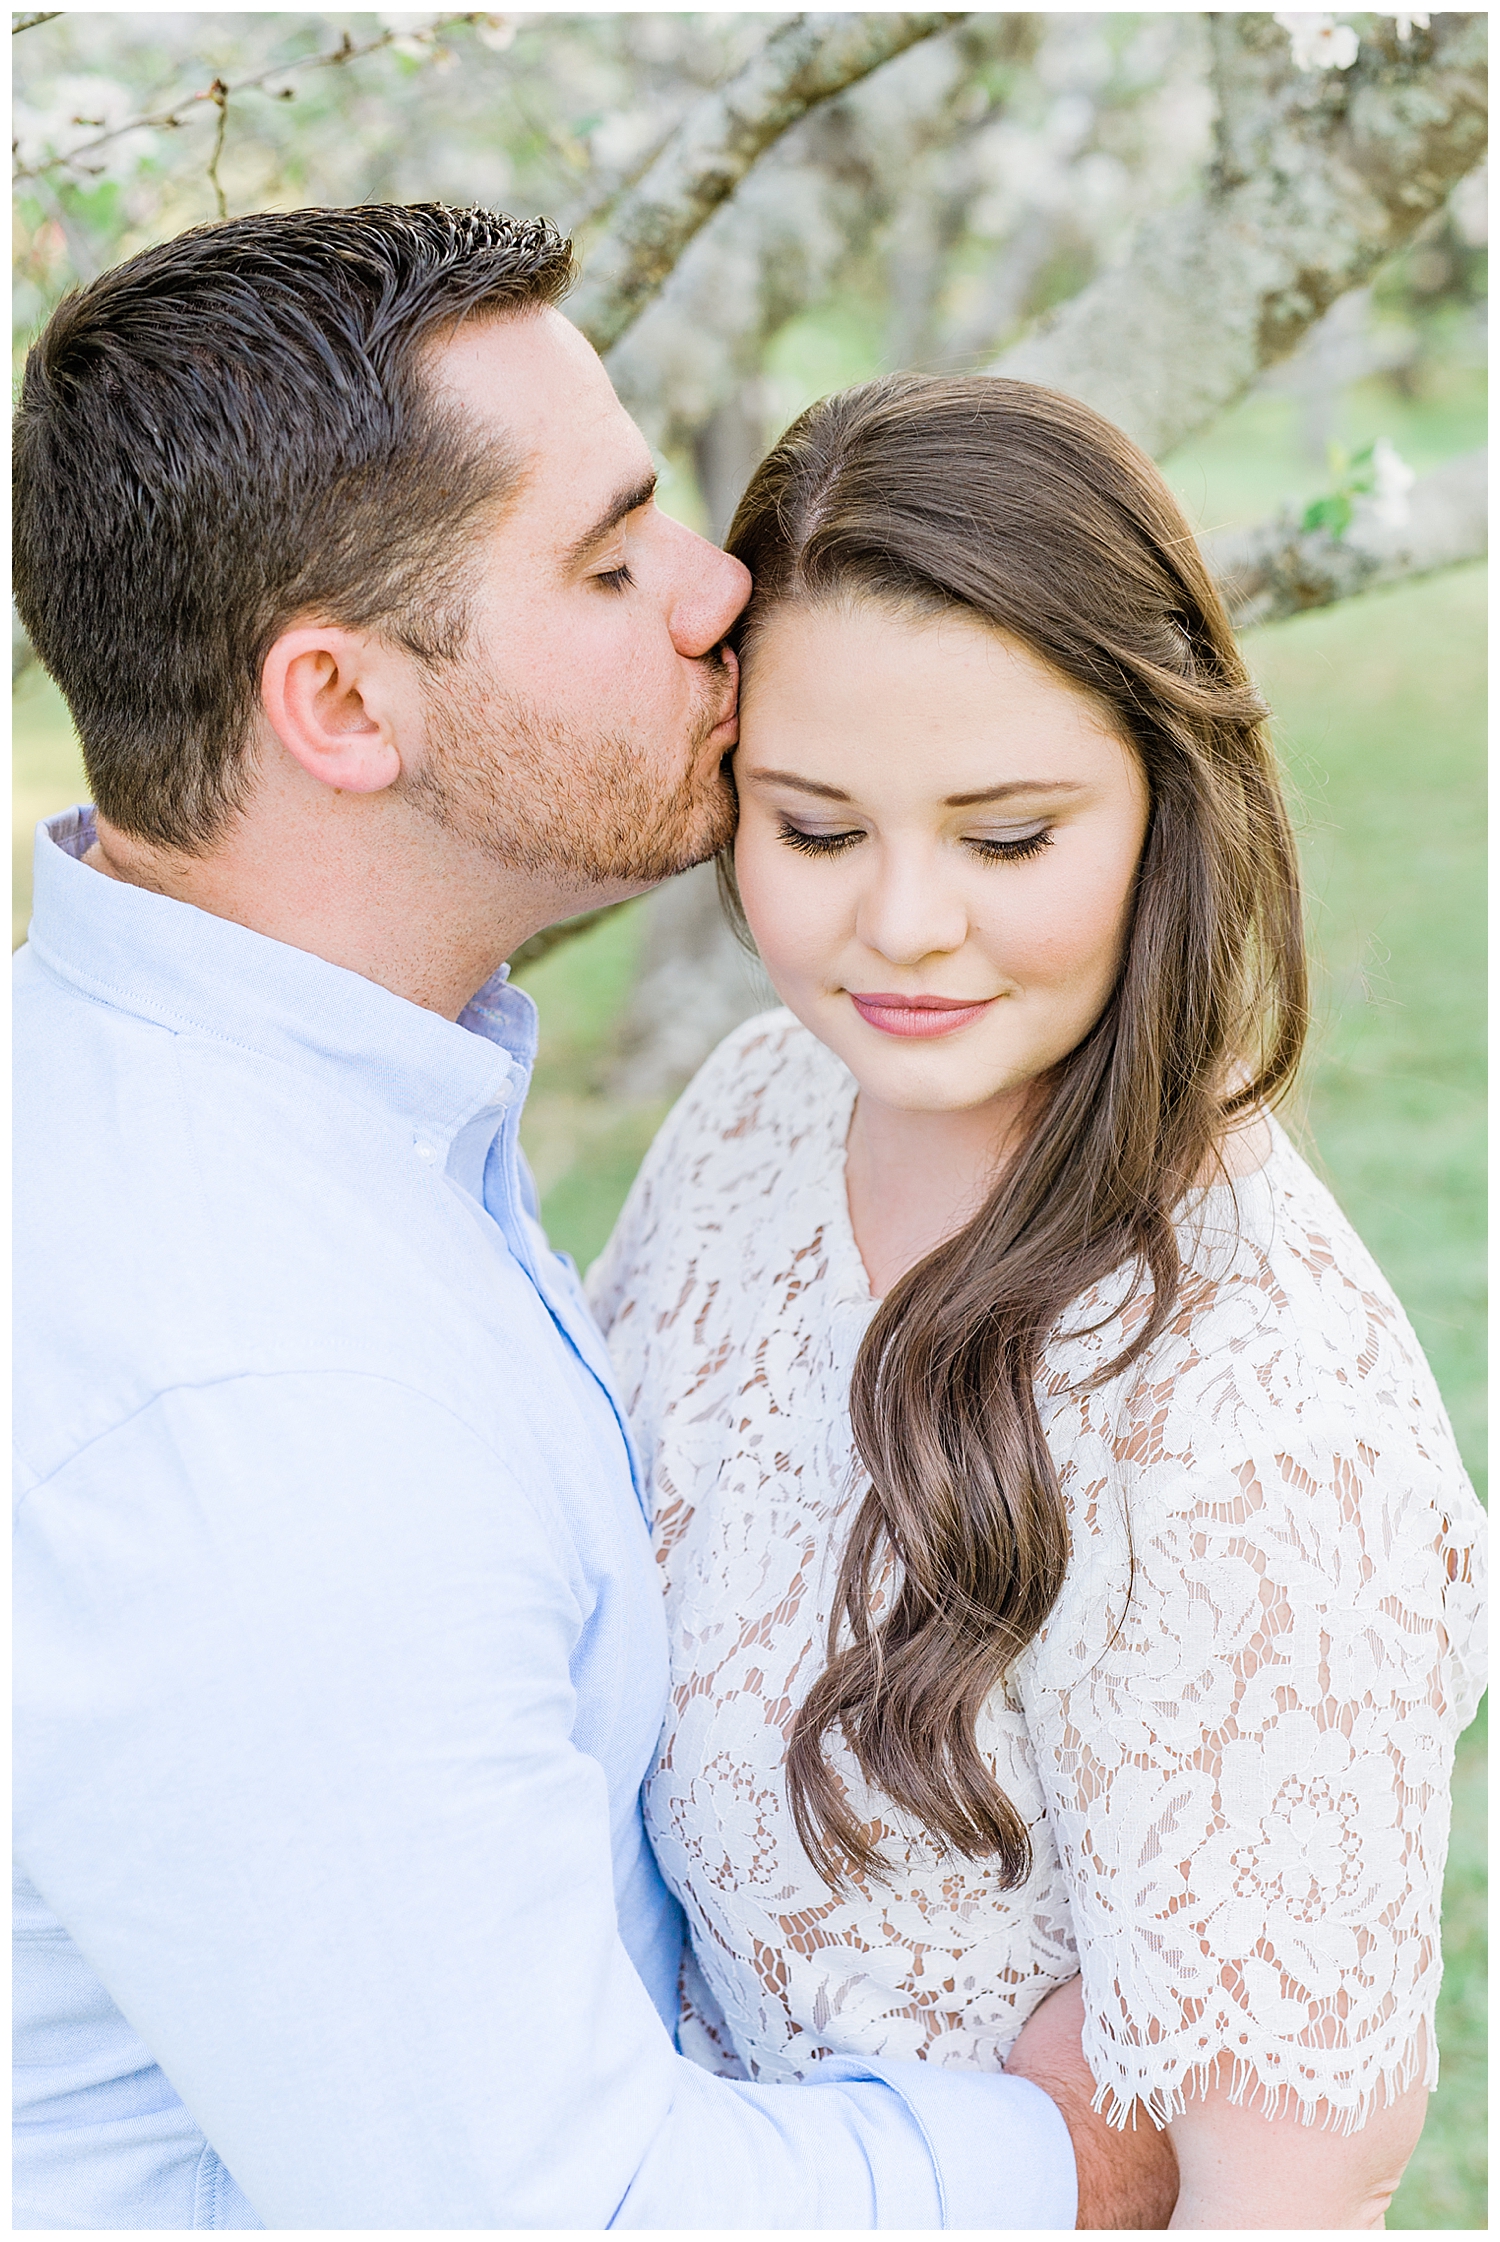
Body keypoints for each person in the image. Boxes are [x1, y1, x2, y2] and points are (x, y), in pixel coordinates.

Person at [11, 204, 1178, 2231]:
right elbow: (549, 2204)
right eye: (608, 556)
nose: (720, 586)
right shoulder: (258, 1394)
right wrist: (1067, 2157)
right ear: (345, 709)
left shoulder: (276, 1105)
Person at [587, 375, 1488, 2230]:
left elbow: (1291, 2183)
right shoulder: (754, 1112)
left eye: (1008, 838)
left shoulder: (1249, 1397)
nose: (905, 924)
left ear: (1171, 797)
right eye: (816, 830)